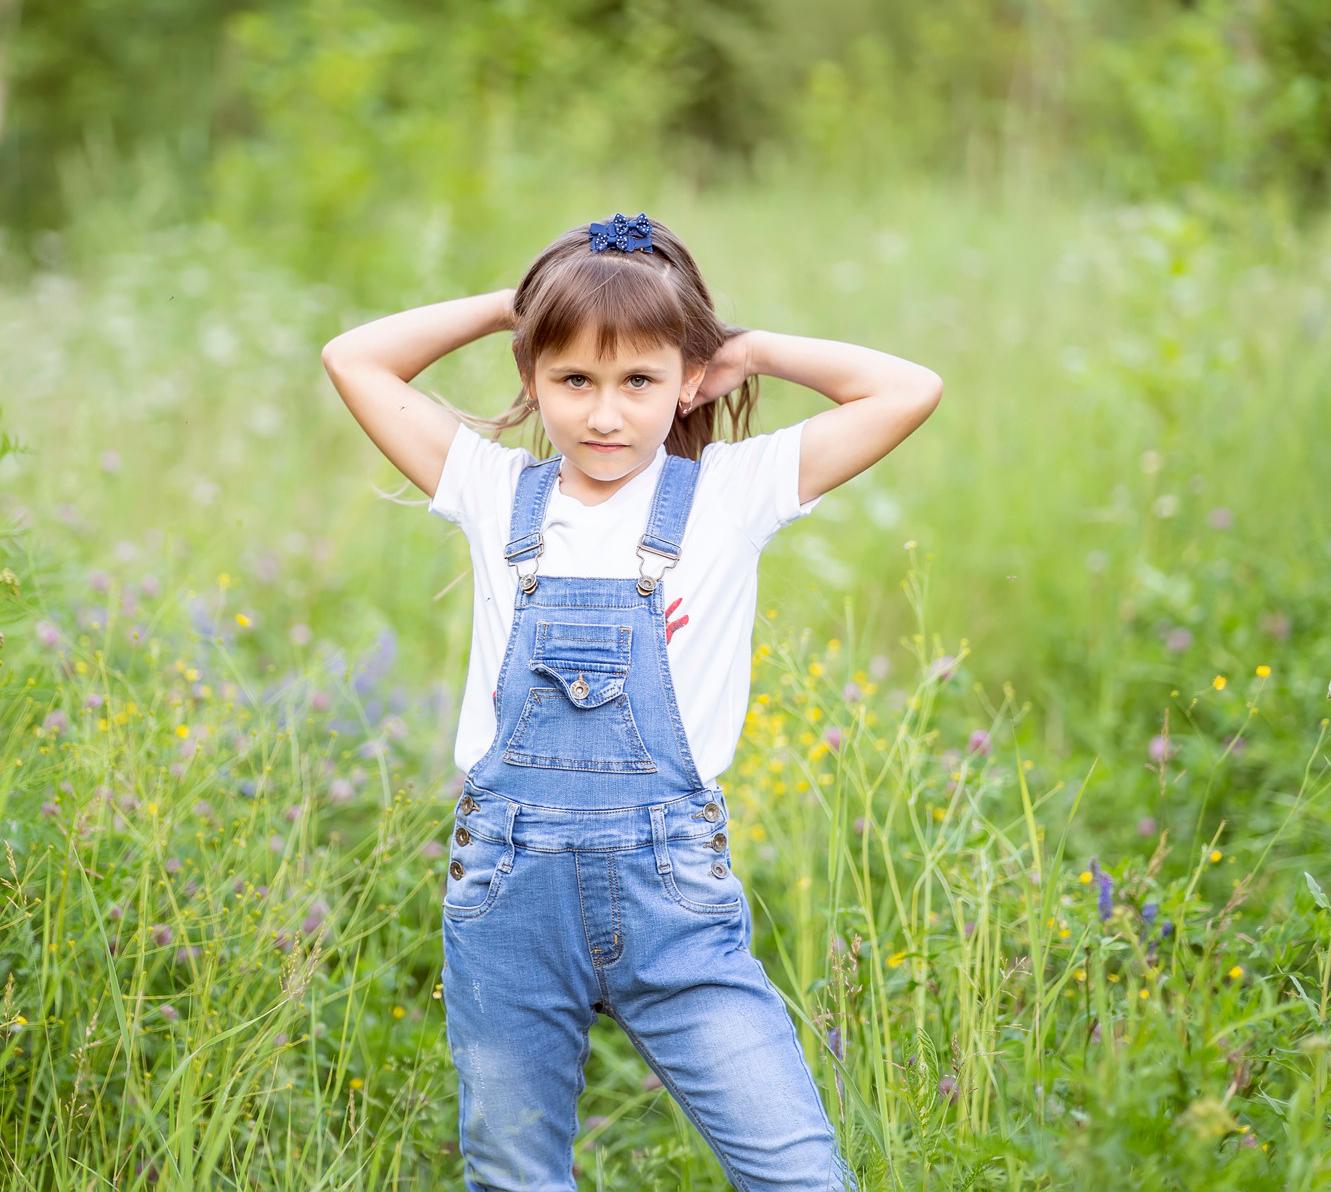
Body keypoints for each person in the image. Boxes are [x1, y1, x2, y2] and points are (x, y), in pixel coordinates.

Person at [321, 213, 941, 1191]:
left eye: (637, 381)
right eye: (573, 380)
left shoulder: (731, 491)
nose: (603, 414)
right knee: (513, 1172)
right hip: (507, 893)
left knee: (798, 1172)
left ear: (687, 379)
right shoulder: (493, 491)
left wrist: (750, 349)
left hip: (673, 897)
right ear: (534, 380)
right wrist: (512, 308)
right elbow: (353, 357)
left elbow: (909, 388)